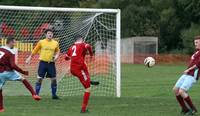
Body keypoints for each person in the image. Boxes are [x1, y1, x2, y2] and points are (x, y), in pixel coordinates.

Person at [0, 37, 41, 112]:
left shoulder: (1, 48)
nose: (15, 44)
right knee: (23, 79)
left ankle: (1, 108)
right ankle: (34, 94)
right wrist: (23, 72)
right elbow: (13, 65)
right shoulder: (10, 52)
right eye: (14, 42)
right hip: (8, 72)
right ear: (10, 42)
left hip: (0, 73)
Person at [65, 35, 99, 113]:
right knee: (88, 88)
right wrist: (91, 55)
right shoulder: (83, 44)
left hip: (73, 70)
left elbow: (66, 58)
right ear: (81, 40)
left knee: (85, 69)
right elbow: (89, 46)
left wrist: (72, 57)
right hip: (79, 69)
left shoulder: (71, 47)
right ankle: (83, 109)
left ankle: (88, 80)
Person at [26, 29, 60, 99]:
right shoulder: (41, 42)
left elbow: (57, 51)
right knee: (39, 79)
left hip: (51, 64)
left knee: (54, 79)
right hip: (43, 63)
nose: (50, 34)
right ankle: (36, 95)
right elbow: (35, 50)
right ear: (45, 34)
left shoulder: (55, 43)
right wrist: (29, 57)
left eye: (51, 33)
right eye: (48, 33)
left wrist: (56, 56)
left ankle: (54, 95)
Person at [173, 36, 200, 115]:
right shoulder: (196, 52)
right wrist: (187, 70)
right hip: (187, 74)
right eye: (195, 42)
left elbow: (198, 64)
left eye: (197, 42)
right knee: (175, 89)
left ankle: (193, 109)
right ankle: (185, 109)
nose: (195, 44)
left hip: (192, 75)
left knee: (181, 91)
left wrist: (188, 69)